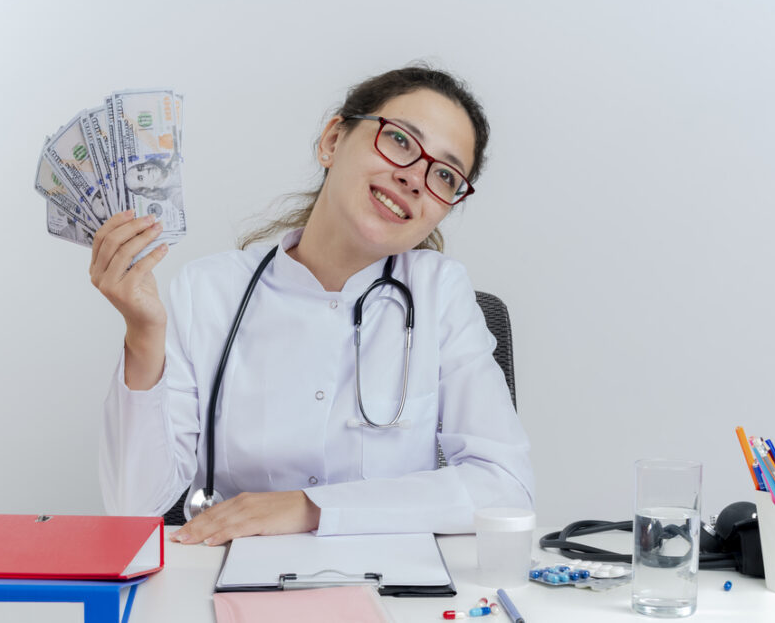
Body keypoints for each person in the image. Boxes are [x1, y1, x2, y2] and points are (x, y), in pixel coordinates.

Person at [92, 66, 534, 546]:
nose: (413, 177)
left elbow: (505, 490)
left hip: (389, 583)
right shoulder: (208, 290)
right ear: (332, 140)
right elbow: (133, 507)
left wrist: (309, 508)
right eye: (401, 141)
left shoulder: (441, 292)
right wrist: (142, 336)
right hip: (235, 580)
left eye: (444, 175)